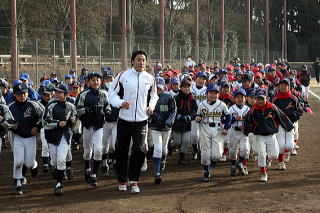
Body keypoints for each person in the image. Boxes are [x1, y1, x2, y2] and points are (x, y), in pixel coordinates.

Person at [108, 50, 158, 194]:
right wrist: (120, 103)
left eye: (143, 60)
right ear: (132, 61)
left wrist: (151, 106)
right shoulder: (123, 76)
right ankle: (122, 179)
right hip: (124, 120)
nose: (141, 62)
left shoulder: (150, 78)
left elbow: (154, 95)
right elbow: (112, 93)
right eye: (138, 59)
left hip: (142, 120)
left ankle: (134, 179)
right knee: (122, 151)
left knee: (140, 149)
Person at [244, 88, 294, 182]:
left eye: (262, 98)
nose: (260, 101)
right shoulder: (253, 110)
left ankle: (267, 157)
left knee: (274, 155)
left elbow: (281, 116)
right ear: (255, 99)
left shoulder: (272, 107)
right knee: (261, 154)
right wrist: (247, 131)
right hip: (259, 136)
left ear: (266, 98)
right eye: (258, 99)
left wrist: (289, 127)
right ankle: (263, 173)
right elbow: (247, 120)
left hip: (271, 135)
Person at [75, 72, 111, 187]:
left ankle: (94, 174)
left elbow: (107, 106)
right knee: (87, 152)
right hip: (87, 126)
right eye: (92, 80)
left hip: (99, 126)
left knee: (98, 150)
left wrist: (108, 112)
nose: (95, 82)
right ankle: (87, 166)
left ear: (101, 81)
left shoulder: (104, 94)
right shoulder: (83, 95)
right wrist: (88, 110)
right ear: (88, 82)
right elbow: (78, 110)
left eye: (97, 80)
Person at [9, 83, 44, 195]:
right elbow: (5, 121)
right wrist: (11, 126)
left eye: (24, 93)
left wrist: (37, 126)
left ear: (28, 93)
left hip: (31, 137)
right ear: (14, 94)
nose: (22, 95)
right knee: (18, 161)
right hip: (18, 137)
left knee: (29, 163)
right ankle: (18, 182)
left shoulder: (34, 104)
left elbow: (45, 116)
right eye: (19, 94)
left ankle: (34, 165)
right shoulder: (10, 107)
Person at [42, 84, 77, 196]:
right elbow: (45, 122)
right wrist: (57, 123)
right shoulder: (51, 106)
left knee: (61, 159)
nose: (56, 94)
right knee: (54, 161)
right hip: (52, 136)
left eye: (59, 92)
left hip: (65, 135)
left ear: (65, 95)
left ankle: (59, 184)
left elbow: (76, 119)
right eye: (55, 92)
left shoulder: (71, 106)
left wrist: (74, 121)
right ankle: (54, 168)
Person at [194, 83, 231, 181]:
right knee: (205, 153)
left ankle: (211, 162)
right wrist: (198, 118)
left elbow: (229, 116)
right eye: (211, 92)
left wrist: (226, 127)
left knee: (217, 155)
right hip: (205, 128)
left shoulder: (222, 104)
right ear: (207, 93)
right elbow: (198, 115)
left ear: (218, 94)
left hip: (217, 129)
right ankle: (206, 172)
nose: (213, 95)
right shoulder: (202, 105)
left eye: (215, 93)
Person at [272, 78, 303, 169]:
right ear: (279, 86)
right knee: (281, 145)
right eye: (281, 85)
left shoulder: (293, 98)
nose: (283, 87)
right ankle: (281, 163)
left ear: (289, 87)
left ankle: (287, 152)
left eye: (285, 85)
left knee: (289, 146)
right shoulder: (275, 99)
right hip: (279, 125)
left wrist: (293, 115)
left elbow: (299, 111)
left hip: (290, 124)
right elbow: (271, 112)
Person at [150, 77, 176, 184]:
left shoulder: (168, 97)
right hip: (155, 127)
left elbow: (173, 111)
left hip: (166, 128)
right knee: (158, 149)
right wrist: (153, 119)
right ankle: (157, 172)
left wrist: (168, 122)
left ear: (164, 87)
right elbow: (147, 110)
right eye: (157, 88)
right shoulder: (149, 97)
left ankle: (162, 162)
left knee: (164, 150)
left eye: (160, 88)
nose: (158, 90)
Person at [172, 79, 197, 165]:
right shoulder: (176, 98)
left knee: (186, 141)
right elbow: (172, 110)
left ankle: (181, 157)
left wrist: (191, 116)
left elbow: (195, 110)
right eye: (184, 87)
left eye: (188, 87)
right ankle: (171, 145)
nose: (187, 89)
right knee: (177, 142)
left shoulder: (192, 98)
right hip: (177, 124)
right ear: (181, 88)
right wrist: (178, 116)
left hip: (187, 124)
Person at [228, 88, 250, 176]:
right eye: (238, 97)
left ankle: (240, 163)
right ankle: (233, 166)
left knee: (245, 149)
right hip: (233, 131)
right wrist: (234, 119)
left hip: (244, 133)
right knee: (233, 151)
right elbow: (226, 121)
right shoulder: (231, 109)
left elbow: (251, 122)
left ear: (245, 98)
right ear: (234, 99)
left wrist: (246, 125)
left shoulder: (248, 109)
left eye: (242, 97)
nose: (240, 99)